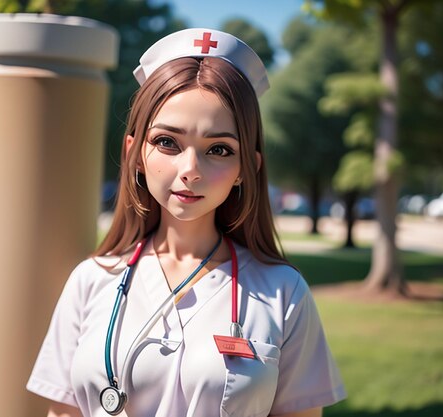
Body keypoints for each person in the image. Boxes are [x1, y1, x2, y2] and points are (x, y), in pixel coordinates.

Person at [27, 28, 346, 417]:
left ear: (247, 167)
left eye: (218, 149)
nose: (190, 170)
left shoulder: (283, 294)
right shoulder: (90, 281)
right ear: (135, 153)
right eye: (167, 142)